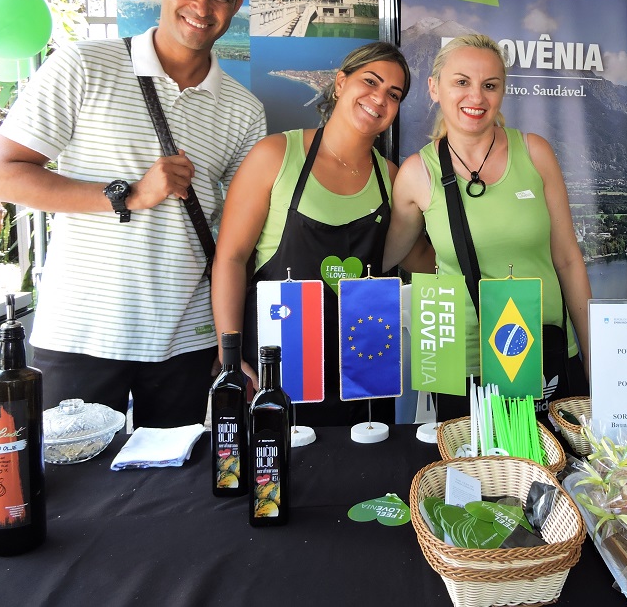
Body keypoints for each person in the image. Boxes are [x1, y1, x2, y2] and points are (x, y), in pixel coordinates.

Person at [0, 0, 265, 428]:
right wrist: (127, 195)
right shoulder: (84, 65)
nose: (202, 6)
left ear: (236, 4)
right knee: (72, 475)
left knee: (181, 474)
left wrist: (229, 343)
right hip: (82, 333)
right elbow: (1, 176)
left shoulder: (244, 110)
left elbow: (236, 239)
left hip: (188, 338)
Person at [212, 42, 432, 426]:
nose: (379, 98)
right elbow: (230, 258)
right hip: (280, 366)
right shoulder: (276, 154)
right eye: (370, 82)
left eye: (393, 94)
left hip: (364, 374)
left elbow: (419, 259)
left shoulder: (392, 177)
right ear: (340, 83)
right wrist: (230, 357)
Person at [383, 33, 591, 420]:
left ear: (502, 92)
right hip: (458, 359)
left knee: (553, 456)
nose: (476, 97)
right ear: (434, 88)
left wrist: (593, 355)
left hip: (542, 347)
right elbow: (391, 255)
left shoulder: (535, 153)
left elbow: (567, 259)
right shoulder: (417, 173)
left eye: (490, 85)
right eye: (461, 82)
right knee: (468, 459)